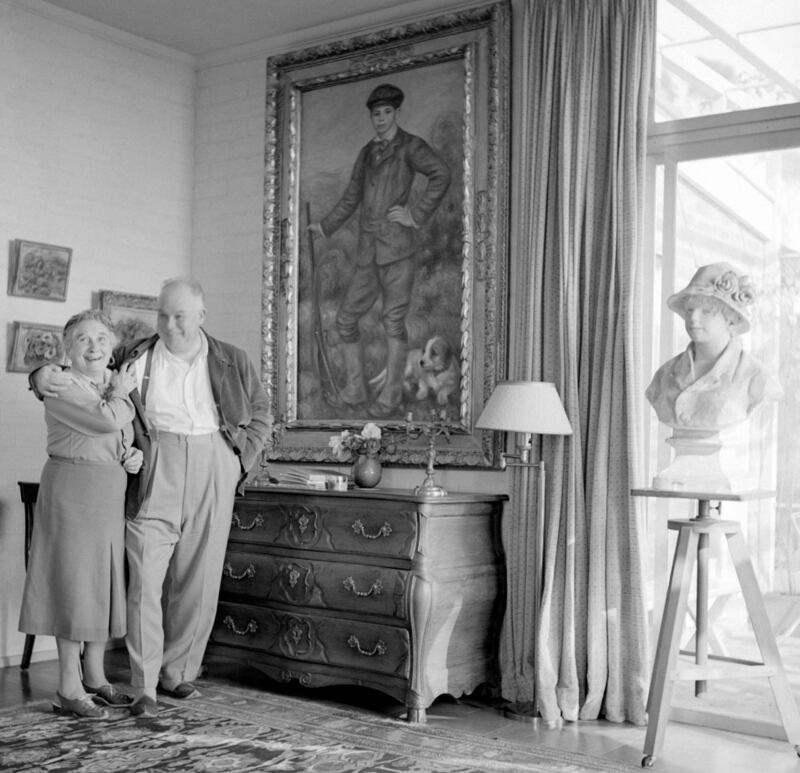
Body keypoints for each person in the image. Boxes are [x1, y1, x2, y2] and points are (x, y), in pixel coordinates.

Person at [31, 278, 272, 717]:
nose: (169, 324)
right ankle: (144, 687)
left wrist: (239, 461)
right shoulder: (135, 353)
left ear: (200, 316)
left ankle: (175, 672)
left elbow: (261, 413)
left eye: (179, 315)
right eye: (162, 314)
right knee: (144, 578)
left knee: (198, 578)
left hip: (212, 457)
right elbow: (81, 371)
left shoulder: (231, 359)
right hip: (155, 458)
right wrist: (38, 375)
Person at [20, 310, 143, 719]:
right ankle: (68, 689)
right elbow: (104, 419)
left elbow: (117, 434)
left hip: (107, 492)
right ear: (67, 348)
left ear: (111, 347)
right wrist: (123, 393)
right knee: (74, 586)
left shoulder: (107, 384)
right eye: (83, 339)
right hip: (72, 491)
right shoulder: (61, 384)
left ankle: (95, 677)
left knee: (100, 585)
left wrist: (129, 456)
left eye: (102, 339)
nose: (94, 347)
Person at [308, 82, 451, 418]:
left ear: (396, 113)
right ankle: (356, 389)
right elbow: (351, 197)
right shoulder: (367, 153)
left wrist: (414, 215)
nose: (382, 119)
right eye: (376, 114)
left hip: (399, 250)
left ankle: (390, 396)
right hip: (367, 251)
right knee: (345, 320)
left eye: (387, 112)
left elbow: (441, 174)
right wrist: (325, 227)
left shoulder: (410, 146)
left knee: (392, 321)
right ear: (371, 116)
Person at [645, 262, 782, 431]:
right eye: (689, 310)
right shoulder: (664, 375)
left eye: (707, 311)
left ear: (730, 319)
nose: (693, 318)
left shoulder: (755, 377)